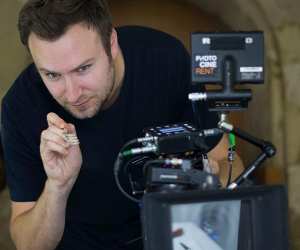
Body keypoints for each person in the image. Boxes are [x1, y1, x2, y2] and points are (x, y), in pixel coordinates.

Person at [1, 0, 244, 249]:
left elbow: (229, 162)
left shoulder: (164, 58)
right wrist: (58, 186)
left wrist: (206, 186)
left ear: (112, 44)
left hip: (170, 236)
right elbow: (28, 245)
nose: (72, 94)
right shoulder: (21, 106)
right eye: (52, 75)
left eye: (83, 68)